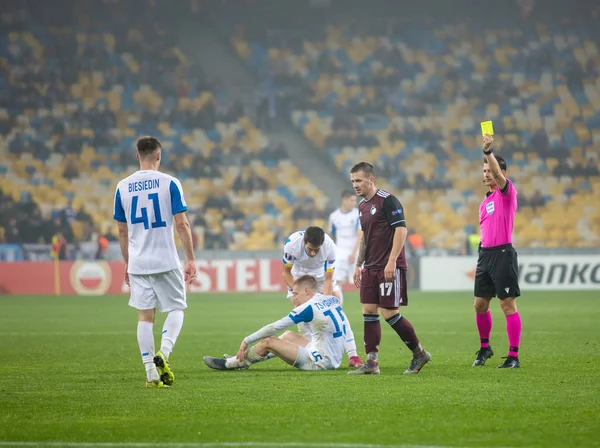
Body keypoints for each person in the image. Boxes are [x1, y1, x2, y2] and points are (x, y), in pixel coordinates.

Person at [113, 136, 197, 388]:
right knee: (176, 308)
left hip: (138, 262)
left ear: (137, 156)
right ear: (159, 156)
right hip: (165, 260)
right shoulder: (170, 183)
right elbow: (181, 223)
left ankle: (150, 373)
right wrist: (191, 258)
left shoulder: (122, 187)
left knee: (144, 316)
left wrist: (127, 263)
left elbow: (122, 230)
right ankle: (165, 352)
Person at [348, 162, 431, 375]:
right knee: (368, 311)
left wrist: (392, 260)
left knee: (390, 313)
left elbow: (401, 230)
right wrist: (358, 264)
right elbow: (365, 237)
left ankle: (419, 353)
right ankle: (371, 363)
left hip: (387, 266)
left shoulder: (388, 200)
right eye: (352, 181)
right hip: (371, 267)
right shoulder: (362, 206)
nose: (355, 185)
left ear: (370, 179)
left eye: (358, 180)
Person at [203, 275, 347, 371]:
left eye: (296, 294)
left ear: (307, 291)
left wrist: (246, 340)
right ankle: (245, 357)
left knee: (268, 342)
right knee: (288, 335)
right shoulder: (331, 299)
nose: (294, 298)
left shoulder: (308, 308)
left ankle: (234, 363)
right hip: (334, 357)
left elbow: (274, 327)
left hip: (319, 363)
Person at [473, 134, 522, 369]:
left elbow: (498, 174)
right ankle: (485, 347)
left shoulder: (507, 192)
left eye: (489, 171)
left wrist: (488, 152)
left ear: (501, 173)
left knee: (507, 304)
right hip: (486, 255)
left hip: (503, 254)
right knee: (480, 304)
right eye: (483, 171)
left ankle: (513, 355)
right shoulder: (485, 201)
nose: (486, 174)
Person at [282, 226, 363, 368]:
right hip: (299, 279)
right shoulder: (292, 244)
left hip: (321, 278)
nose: (313, 253)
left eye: (316, 250)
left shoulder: (330, 247)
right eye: (310, 249)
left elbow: (328, 277)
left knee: (336, 311)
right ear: (304, 242)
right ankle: (314, 350)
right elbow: (286, 272)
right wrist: (297, 291)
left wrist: (323, 302)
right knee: (302, 314)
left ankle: (353, 355)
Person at [328, 190, 362, 286]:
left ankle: (364, 301)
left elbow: (360, 234)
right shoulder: (333, 216)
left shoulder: (358, 215)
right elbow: (333, 235)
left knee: (359, 281)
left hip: (356, 251)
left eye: (355, 201)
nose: (354, 203)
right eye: (351, 200)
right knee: (336, 281)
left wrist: (354, 253)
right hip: (340, 252)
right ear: (344, 200)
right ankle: (337, 300)